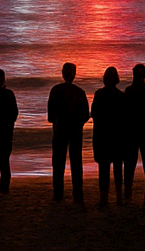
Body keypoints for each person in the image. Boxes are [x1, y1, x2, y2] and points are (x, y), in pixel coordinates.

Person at [48, 62, 89, 203]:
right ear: (74, 74)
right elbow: (85, 115)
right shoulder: (79, 92)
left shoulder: (55, 90)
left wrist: (57, 121)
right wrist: (78, 124)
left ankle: (58, 193)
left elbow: (50, 116)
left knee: (58, 163)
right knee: (76, 162)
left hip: (60, 130)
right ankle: (77, 192)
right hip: (75, 131)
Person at [91, 66, 126, 205]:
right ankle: (119, 197)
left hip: (102, 135)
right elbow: (125, 117)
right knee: (118, 168)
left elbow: (94, 114)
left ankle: (103, 198)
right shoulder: (121, 96)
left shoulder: (99, 94)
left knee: (103, 169)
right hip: (117, 135)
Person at [122, 64, 145, 200]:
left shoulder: (129, 91)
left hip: (132, 130)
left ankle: (128, 188)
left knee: (130, 162)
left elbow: (125, 112)